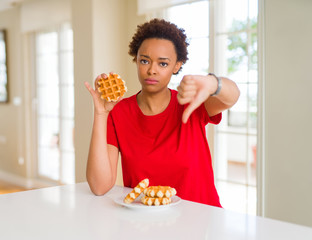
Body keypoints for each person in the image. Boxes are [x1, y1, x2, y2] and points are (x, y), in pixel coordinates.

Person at [84, 18, 240, 207]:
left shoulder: (191, 102)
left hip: (201, 222)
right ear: (136, 60)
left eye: (163, 64)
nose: (152, 70)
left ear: (177, 65)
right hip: (145, 223)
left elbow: (232, 96)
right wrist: (101, 114)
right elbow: (99, 186)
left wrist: (213, 83)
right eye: (144, 61)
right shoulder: (119, 111)